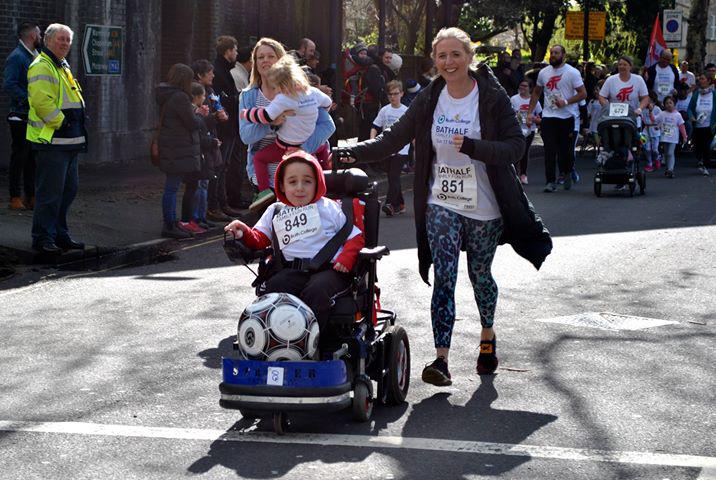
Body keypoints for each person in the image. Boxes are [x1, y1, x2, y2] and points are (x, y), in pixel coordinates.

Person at [345, 27, 552, 386]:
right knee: (444, 276)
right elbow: (393, 139)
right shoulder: (430, 97)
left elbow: (515, 147)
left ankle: (487, 336)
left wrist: (474, 147)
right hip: (442, 200)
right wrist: (351, 152)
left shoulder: (491, 96)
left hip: (485, 204)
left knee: (479, 276)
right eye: (442, 56)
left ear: (470, 57)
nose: (449, 62)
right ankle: (441, 360)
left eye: (456, 54)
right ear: (435, 61)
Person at [224, 150, 364, 334]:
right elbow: (259, 239)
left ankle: (310, 343)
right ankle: (277, 341)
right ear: (282, 186)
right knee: (274, 289)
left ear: (317, 184)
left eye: (307, 181)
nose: (300, 188)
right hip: (290, 269)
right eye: (292, 182)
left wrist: (346, 258)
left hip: (329, 271)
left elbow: (356, 235)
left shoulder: (331, 208)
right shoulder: (276, 210)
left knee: (317, 291)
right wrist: (243, 232)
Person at [239, 37, 334, 205]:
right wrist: (271, 124)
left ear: (280, 60)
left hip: (300, 178)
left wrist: (299, 149)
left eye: (271, 56)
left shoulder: (302, 92)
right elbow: (246, 137)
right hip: (265, 179)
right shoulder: (248, 95)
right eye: (260, 57)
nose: (265, 61)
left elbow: (328, 126)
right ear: (255, 63)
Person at [26, 23, 87, 254]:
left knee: (67, 191)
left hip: (68, 142)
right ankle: (43, 238)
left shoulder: (61, 65)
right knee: (50, 194)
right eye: (60, 39)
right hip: (52, 141)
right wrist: (62, 122)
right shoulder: (42, 66)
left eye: (68, 40)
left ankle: (59, 234)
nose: (65, 44)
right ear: (48, 40)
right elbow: (43, 103)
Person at [155, 63, 206, 239]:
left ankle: (172, 222)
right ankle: (169, 224)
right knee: (172, 188)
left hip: (171, 147)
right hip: (177, 149)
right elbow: (192, 123)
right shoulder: (180, 98)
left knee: (172, 187)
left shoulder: (167, 95)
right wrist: (200, 115)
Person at [527, 44, 587, 192]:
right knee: (549, 150)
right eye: (551, 52)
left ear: (563, 55)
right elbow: (536, 93)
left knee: (565, 151)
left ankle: (566, 172)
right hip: (549, 116)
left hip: (567, 117)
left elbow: (583, 94)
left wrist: (566, 102)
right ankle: (550, 182)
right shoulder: (543, 73)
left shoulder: (572, 73)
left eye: (556, 53)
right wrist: (530, 113)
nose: (553, 55)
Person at [4, 21, 40, 211]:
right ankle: (15, 197)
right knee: (19, 157)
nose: (40, 38)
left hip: (31, 116)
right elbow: (9, 84)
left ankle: (31, 196)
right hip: (19, 115)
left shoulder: (34, 56)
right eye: (39, 34)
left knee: (31, 158)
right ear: (32, 36)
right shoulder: (17, 57)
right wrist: (29, 100)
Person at [210, 35, 243, 222]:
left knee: (224, 166)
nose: (236, 54)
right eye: (235, 50)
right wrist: (237, 98)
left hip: (230, 126)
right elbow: (220, 99)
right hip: (223, 126)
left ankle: (223, 204)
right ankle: (215, 206)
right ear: (228, 51)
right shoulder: (219, 71)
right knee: (219, 166)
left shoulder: (225, 70)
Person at [371, 80, 409, 216]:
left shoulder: (406, 111)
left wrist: (416, 151)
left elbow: (412, 132)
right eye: (390, 94)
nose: (393, 97)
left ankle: (389, 204)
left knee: (393, 176)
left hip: (402, 149)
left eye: (396, 94)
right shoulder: (385, 110)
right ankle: (400, 204)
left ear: (402, 94)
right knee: (393, 177)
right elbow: (375, 127)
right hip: (387, 148)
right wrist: (372, 142)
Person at [510, 79, 541, 185]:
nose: (522, 88)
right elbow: (509, 113)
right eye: (521, 85)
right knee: (515, 151)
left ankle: (523, 174)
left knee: (524, 151)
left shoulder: (534, 100)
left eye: (525, 86)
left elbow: (540, 117)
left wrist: (534, 119)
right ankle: (513, 174)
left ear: (530, 88)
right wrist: (516, 116)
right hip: (516, 130)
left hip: (529, 129)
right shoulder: (514, 99)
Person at [687, 72, 716, 176]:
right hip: (698, 125)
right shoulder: (696, 94)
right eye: (700, 79)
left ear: (709, 81)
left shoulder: (714, 93)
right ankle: (701, 161)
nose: (700, 80)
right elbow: (690, 108)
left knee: (706, 145)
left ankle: (704, 164)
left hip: (710, 125)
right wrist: (691, 116)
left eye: (703, 79)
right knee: (698, 146)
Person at [655, 96, 687, 178]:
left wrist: (684, 136)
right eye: (667, 103)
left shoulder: (677, 115)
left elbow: (681, 126)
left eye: (670, 103)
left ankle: (671, 169)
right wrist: (651, 112)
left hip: (673, 137)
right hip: (665, 136)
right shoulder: (662, 114)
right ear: (664, 105)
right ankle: (667, 169)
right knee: (666, 153)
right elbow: (656, 120)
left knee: (670, 152)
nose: (669, 105)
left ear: (674, 104)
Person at [641, 92, 663, 172]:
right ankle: (649, 163)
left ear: (653, 101)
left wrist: (659, 126)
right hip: (646, 129)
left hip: (654, 129)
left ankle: (657, 158)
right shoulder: (643, 109)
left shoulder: (657, 109)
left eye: (649, 100)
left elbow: (661, 119)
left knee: (655, 149)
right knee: (647, 148)